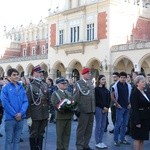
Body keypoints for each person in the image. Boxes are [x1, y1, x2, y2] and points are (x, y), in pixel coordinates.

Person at [1, 68, 28, 150]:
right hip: (10, 118)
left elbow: (25, 101)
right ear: (9, 77)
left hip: (21, 118)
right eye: (14, 75)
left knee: (17, 141)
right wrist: (15, 114)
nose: (16, 76)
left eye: (17, 74)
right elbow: (5, 103)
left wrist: (21, 113)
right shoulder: (5, 88)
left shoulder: (21, 88)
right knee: (8, 140)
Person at [26, 65, 49, 150]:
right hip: (35, 115)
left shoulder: (44, 85)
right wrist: (28, 117)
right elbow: (27, 102)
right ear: (34, 73)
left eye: (42, 72)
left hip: (44, 114)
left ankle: (40, 148)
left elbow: (47, 100)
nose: (41, 74)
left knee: (41, 133)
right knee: (33, 133)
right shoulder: (31, 86)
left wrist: (48, 113)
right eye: (39, 72)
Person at [73, 67, 95, 150]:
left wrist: (94, 109)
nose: (89, 74)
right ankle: (79, 146)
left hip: (91, 110)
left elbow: (93, 96)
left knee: (89, 129)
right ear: (84, 74)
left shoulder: (90, 83)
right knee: (81, 130)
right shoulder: (78, 83)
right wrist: (76, 109)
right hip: (83, 110)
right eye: (88, 73)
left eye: (90, 73)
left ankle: (86, 145)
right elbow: (75, 98)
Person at [51, 77, 74, 150]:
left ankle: (65, 148)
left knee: (67, 135)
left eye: (65, 83)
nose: (65, 84)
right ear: (58, 85)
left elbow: (72, 102)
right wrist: (65, 107)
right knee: (60, 135)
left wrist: (73, 106)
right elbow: (55, 105)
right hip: (60, 117)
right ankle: (59, 148)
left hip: (69, 116)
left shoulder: (69, 93)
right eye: (62, 83)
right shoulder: (55, 94)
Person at [111, 72, 132, 146]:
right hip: (119, 107)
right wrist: (117, 104)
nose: (123, 79)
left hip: (127, 107)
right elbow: (112, 96)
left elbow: (130, 96)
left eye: (124, 77)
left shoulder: (128, 86)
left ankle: (122, 139)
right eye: (121, 77)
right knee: (118, 124)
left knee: (124, 124)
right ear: (119, 78)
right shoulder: (115, 86)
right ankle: (115, 140)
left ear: (126, 78)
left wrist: (130, 103)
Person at [130, 75, 150, 150]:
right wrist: (137, 122)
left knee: (142, 138)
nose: (144, 83)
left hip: (145, 118)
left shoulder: (145, 92)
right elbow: (134, 108)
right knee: (137, 138)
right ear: (137, 83)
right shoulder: (135, 93)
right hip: (138, 119)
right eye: (142, 82)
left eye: (144, 81)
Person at [95, 75, 111, 149]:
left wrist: (107, 107)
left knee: (103, 125)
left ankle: (101, 141)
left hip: (105, 109)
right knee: (98, 125)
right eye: (102, 79)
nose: (104, 81)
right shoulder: (96, 89)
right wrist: (103, 107)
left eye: (104, 79)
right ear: (99, 80)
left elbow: (108, 99)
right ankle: (97, 142)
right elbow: (97, 100)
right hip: (98, 108)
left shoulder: (106, 90)